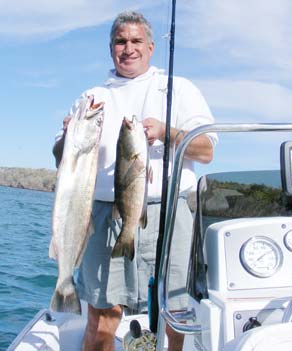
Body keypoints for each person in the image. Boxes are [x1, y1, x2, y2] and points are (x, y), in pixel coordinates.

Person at [53, 10, 217, 351]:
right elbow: (60, 158)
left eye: (136, 41)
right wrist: (68, 137)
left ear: (151, 47)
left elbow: (206, 150)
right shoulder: (91, 97)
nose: (128, 48)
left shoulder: (177, 88)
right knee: (103, 312)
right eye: (120, 41)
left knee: (175, 306)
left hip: (168, 210)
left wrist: (168, 132)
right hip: (100, 209)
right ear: (111, 47)